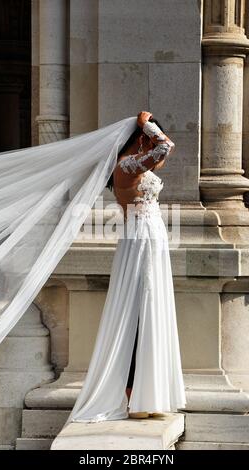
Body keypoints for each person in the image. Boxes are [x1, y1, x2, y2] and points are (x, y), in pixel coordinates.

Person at [66, 111, 186, 423]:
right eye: (145, 137)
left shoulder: (138, 163)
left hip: (152, 235)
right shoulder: (125, 167)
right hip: (140, 238)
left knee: (152, 308)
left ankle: (151, 393)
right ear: (136, 139)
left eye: (150, 135)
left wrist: (148, 130)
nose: (150, 140)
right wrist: (146, 123)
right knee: (140, 307)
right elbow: (166, 147)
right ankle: (133, 395)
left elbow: (161, 155)